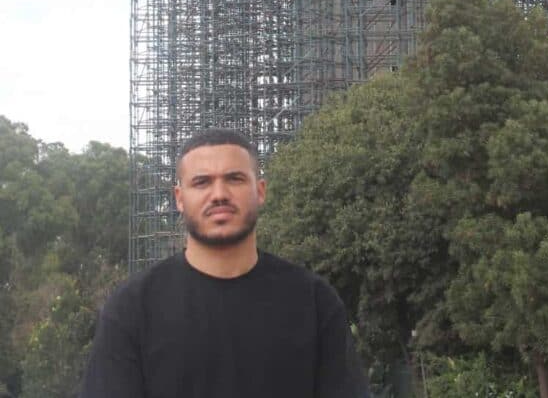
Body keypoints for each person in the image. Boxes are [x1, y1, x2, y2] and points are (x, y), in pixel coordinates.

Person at [80, 128, 369, 398]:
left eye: (234, 179)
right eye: (202, 182)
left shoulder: (313, 302)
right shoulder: (132, 309)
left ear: (260, 191)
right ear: (179, 198)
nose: (219, 194)